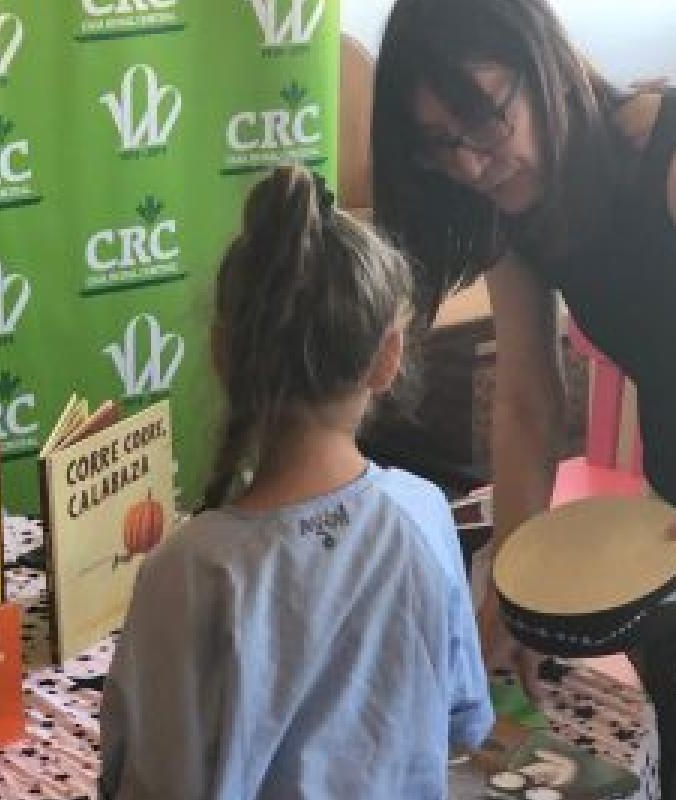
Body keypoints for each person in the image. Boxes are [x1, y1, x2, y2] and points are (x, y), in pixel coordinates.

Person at [369, 0, 676, 797]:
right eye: (439, 143)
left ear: (542, 61)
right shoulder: (517, 204)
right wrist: (515, 587)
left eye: (484, 120)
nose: (471, 163)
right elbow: (526, 398)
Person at [97, 164, 494, 800]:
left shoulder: (188, 569)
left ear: (222, 355)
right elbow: (465, 721)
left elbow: (151, 779)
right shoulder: (423, 514)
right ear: (388, 358)